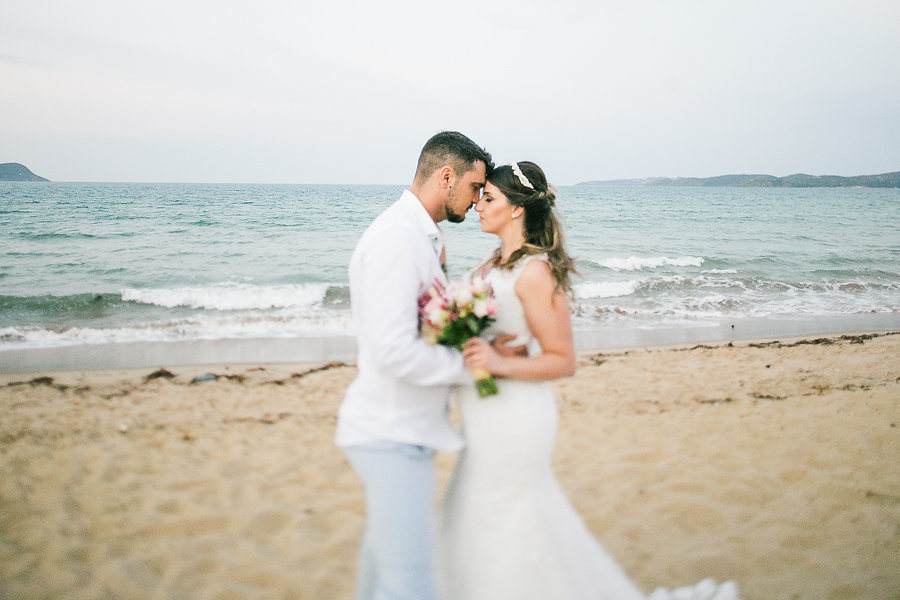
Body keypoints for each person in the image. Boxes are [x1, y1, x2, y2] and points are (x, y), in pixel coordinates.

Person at [437, 161, 740, 600]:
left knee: (508, 518)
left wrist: (497, 363)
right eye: (480, 198)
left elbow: (563, 361)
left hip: (515, 418)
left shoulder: (534, 272)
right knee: (475, 513)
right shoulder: (490, 266)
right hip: (484, 417)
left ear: (517, 209)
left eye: (489, 199)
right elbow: (486, 329)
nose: (478, 207)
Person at [334, 131, 493, 600]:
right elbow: (393, 350)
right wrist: (472, 368)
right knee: (411, 584)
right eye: (474, 188)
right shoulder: (398, 238)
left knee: (382, 576)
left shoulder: (422, 237)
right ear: (447, 177)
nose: (477, 199)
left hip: (404, 429)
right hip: (391, 431)